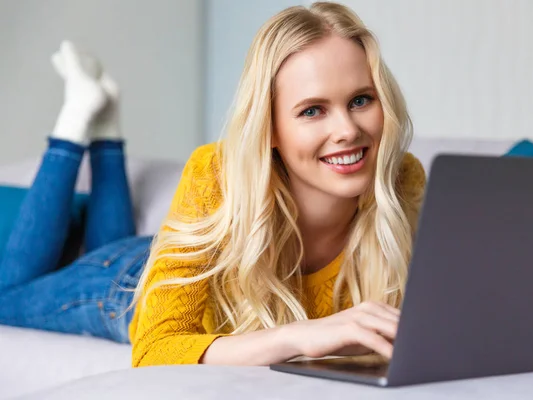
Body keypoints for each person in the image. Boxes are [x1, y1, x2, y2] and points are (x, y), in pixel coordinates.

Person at [0, 2, 426, 368]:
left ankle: (106, 123)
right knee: (7, 295)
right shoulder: (217, 173)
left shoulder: (402, 178)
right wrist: (299, 337)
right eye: (313, 110)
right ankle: (76, 120)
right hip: (128, 282)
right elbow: (154, 350)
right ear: (270, 129)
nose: (348, 130)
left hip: (174, 253)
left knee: (101, 245)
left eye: (360, 100)